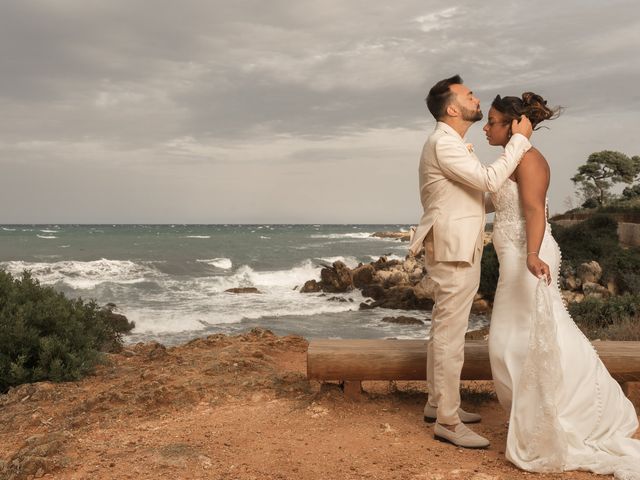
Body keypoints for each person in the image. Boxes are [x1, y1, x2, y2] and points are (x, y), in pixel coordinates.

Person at [485, 92, 640, 478]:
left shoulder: (531, 160)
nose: (486, 128)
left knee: (529, 338)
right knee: (511, 342)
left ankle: (584, 414)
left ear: (512, 124)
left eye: (492, 121)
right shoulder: (508, 160)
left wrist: (533, 253)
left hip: (529, 257)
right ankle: (536, 415)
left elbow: (536, 210)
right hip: (512, 260)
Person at [408, 75, 533, 449]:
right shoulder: (442, 144)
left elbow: (476, 198)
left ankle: (437, 404)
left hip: (457, 245)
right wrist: (521, 142)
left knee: (443, 331)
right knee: (449, 336)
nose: (476, 99)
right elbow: (488, 180)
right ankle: (447, 421)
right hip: (453, 249)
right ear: (452, 108)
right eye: (469, 95)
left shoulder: (454, 144)